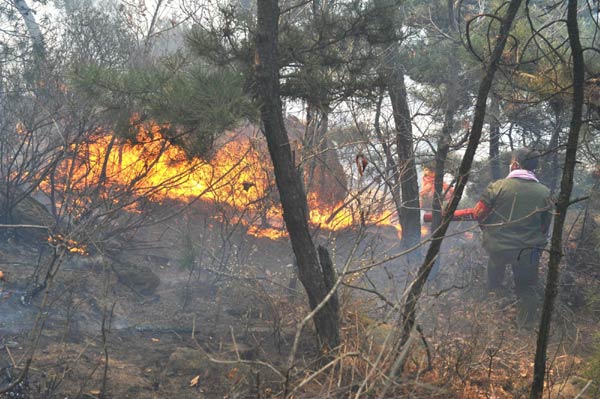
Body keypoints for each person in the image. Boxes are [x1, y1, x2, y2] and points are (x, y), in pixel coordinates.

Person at [473, 148, 553, 326]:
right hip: (529, 250)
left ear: (515, 164)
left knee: (494, 284)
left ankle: (492, 324)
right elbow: (545, 226)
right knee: (527, 289)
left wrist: (486, 227)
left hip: (498, 247)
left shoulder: (497, 187)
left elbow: (478, 213)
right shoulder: (544, 192)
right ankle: (525, 328)